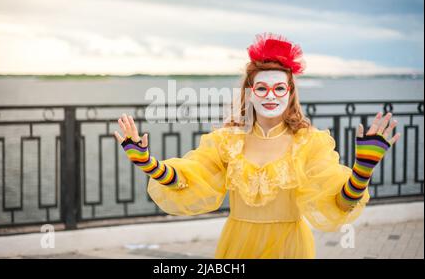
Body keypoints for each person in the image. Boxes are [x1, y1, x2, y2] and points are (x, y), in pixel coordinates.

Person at [114, 32, 401, 259]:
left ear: (290, 94)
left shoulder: (309, 143)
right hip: (237, 244)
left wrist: (363, 169)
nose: (270, 96)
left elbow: (340, 203)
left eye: (279, 88)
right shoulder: (227, 141)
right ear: (249, 94)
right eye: (262, 88)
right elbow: (187, 182)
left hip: (291, 247)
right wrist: (147, 163)